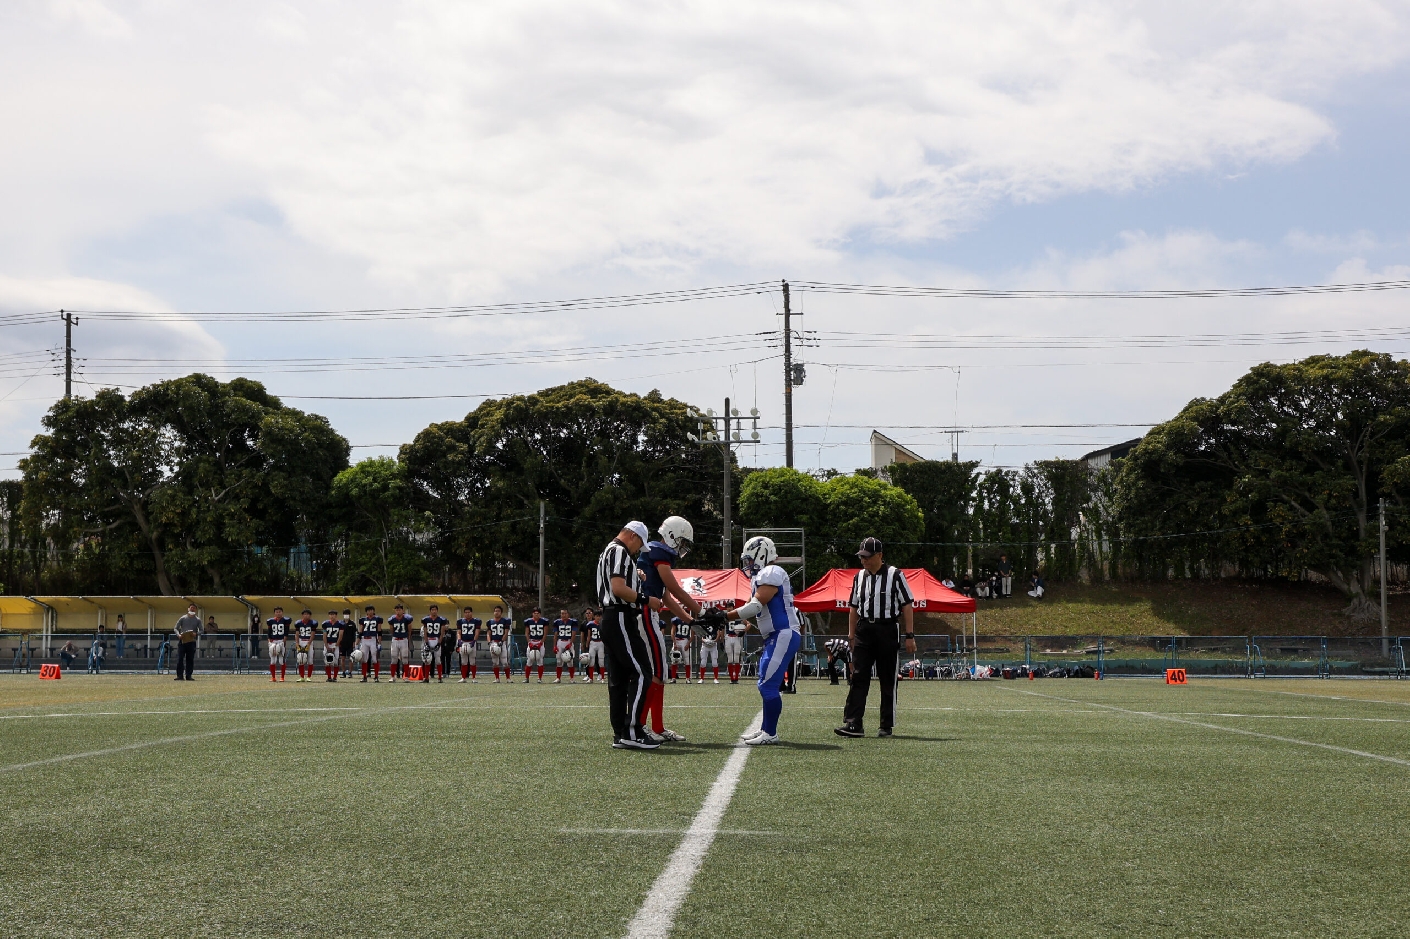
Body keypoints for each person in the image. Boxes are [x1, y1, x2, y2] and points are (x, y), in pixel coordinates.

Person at [835, 537, 915, 739]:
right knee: (858, 676)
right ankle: (853, 724)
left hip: (888, 628)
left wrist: (909, 635)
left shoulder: (895, 575)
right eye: (861, 557)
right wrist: (851, 636)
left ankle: (886, 725)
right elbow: (853, 607)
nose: (863, 561)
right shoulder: (859, 577)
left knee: (888, 678)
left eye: (867, 557)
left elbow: (907, 605)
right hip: (864, 629)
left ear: (880, 555)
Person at [726, 536, 802, 746]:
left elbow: (755, 606)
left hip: (783, 633)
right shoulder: (763, 576)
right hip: (776, 636)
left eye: (750, 559)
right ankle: (766, 729)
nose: (748, 565)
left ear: (762, 554)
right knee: (766, 682)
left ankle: (770, 733)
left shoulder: (772, 572)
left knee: (768, 685)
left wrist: (725, 616)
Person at [637, 516, 703, 742]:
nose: (683, 547)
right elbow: (674, 588)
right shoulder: (657, 550)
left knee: (660, 672)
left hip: (649, 612)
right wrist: (699, 611)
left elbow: (666, 594)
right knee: (656, 672)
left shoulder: (658, 555)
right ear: (673, 535)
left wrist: (689, 620)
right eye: (682, 541)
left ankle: (657, 727)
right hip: (643, 612)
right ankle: (641, 727)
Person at [596, 520, 658, 749]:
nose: (637, 550)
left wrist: (635, 574)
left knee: (619, 679)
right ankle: (633, 731)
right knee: (642, 671)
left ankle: (621, 732)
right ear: (632, 536)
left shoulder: (609, 552)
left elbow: (617, 581)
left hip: (611, 617)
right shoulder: (620, 551)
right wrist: (646, 600)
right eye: (639, 544)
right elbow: (618, 588)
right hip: (621, 616)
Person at [421, 604, 448, 683]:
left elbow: (442, 632)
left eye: (435, 610)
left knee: (438, 660)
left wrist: (439, 643)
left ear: (437, 610)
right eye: (432, 610)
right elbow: (425, 632)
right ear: (430, 611)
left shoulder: (441, 620)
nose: (434, 611)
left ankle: (440, 677)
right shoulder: (426, 620)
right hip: (429, 639)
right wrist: (426, 642)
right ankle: (426, 678)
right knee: (427, 659)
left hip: (436, 639)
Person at [387, 604, 414, 682]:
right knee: (394, 658)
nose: (398, 611)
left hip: (404, 639)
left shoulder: (407, 619)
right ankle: (392, 676)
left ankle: (406, 677)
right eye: (397, 610)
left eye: (399, 610)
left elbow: (409, 630)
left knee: (405, 658)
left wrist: (407, 638)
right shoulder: (392, 619)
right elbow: (391, 630)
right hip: (395, 639)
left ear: (403, 611)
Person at [485, 606, 513, 682]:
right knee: (495, 662)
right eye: (495, 611)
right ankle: (497, 678)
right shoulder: (490, 622)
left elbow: (506, 633)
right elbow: (488, 634)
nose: (497, 612)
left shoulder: (505, 621)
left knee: (505, 661)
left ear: (501, 612)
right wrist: (489, 642)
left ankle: (508, 678)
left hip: (501, 643)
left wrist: (502, 641)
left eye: (498, 611)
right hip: (493, 642)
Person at [175, 603, 202, 681]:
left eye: (194, 608)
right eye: (191, 608)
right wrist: (178, 634)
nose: (192, 609)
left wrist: (196, 633)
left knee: (190, 659)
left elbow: (202, 630)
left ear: (196, 610)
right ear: (188, 609)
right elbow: (175, 628)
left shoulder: (197, 620)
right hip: (182, 641)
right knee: (180, 659)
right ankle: (180, 675)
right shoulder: (183, 618)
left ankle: (188, 675)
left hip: (191, 641)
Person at [522, 608, 549, 683]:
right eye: (535, 613)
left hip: (540, 641)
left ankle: (539, 678)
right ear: (532, 614)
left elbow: (545, 634)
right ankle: (526, 678)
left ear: (540, 614)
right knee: (529, 660)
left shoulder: (544, 621)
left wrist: (541, 643)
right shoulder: (528, 621)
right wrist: (529, 642)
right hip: (532, 641)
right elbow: (527, 633)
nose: (536, 614)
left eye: (538, 613)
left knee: (540, 660)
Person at [455, 606, 481, 682]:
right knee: (463, 661)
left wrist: (474, 641)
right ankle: (463, 677)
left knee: (472, 661)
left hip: (471, 642)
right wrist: (459, 640)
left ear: (471, 613)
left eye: (469, 612)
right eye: (466, 612)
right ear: (464, 613)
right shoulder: (460, 621)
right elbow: (459, 632)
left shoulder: (476, 621)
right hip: (463, 642)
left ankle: (473, 678)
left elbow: (477, 632)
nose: (467, 614)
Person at [358, 605, 383, 682]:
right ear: (366, 612)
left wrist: (379, 642)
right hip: (364, 640)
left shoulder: (377, 619)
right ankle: (364, 676)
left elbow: (379, 631)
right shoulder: (363, 619)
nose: (370, 612)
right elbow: (360, 631)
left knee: (375, 658)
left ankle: (376, 676)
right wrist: (356, 643)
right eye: (368, 610)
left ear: (373, 611)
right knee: (364, 659)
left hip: (373, 639)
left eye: (371, 610)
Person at [265, 606, 291, 682]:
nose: (278, 613)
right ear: (274, 613)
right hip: (273, 641)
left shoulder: (285, 620)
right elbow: (269, 632)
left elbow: (286, 632)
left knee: (281, 660)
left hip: (280, 640)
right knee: (272, 660)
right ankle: (273, 677)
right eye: (277, 612)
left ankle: (282, 677)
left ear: (282, 612)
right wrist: (269, 641)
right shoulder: (271, 621)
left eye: (279, 612)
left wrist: (284, 641)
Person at [552, 608, 577, 683]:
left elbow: (574, 633)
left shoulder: (573, 622)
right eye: (562, 613)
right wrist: (555, 645)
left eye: (565, 613)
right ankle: (558, 678)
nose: (564, 615)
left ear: (568, 614)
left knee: (570, 661)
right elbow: (555, 635)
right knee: (559, 661)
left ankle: (572, 678)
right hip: (560, 642)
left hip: (568, 641)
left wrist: (570, 643)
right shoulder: (557, 622)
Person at [698, 610, 722, 683]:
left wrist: (715, 640)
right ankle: (702, 678)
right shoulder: (703, 623)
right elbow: (701, 633)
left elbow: (718, 633)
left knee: (714, 662)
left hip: (713, 645)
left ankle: (715, 678)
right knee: (703, 662)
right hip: (705, 645)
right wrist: (703, 640)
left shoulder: (716, 623)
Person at [582, 609, 606, 682]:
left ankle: (602, 678)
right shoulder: (590, 624)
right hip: (593, 643)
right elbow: (589, 635)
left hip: (601, 642)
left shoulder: (603, 623)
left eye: (599, 616)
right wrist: (587, 644)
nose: (598, 618)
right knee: (591, 661)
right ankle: (591, 678)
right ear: (594, 616)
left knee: (601, 661)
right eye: (597, 616)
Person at [668, 616, 694, 683]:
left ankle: (687, 678)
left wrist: (688, 643)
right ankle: (673, 678)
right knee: (674, 659)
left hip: (685, 640)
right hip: (677, 639)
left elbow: (692, 634)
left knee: (687, 660)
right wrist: (675, 643)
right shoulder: (676, 620)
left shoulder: (689, 621)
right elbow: (672, 633)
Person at [293, 610, 317, 682]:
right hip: (301, 641)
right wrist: (297, 643)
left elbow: (312, 634)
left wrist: (309, 643)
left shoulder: (313, 623)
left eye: (308, 614)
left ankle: (309, 676)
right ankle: (302, 677)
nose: (306, 615)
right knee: (300, 659)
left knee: (310, 660)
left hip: (308, 641)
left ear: (310, 615)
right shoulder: (298, 623)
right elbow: (297, 634)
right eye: (305, 614)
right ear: (302, 615)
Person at [724, 614, 747, 684]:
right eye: (728, 607)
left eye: (730, 607)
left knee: (736, 658)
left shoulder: (738, 617)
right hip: (728, 637)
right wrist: (722, 640)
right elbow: (721, 628)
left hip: (736, 637)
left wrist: (744, 631)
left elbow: (748, 624)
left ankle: (736, 678)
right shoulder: (725, 616)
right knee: (730, 659)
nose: (729, 608)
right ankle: (731, 678)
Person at [321, 610, 342, 682]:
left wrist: (335, 646)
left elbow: (340, 636)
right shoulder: (325, 624)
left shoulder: (340, 624)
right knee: (327, 662)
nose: (332, 616)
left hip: (335, 644)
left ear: (336, 615)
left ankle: (335, 677)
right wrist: (326, 646)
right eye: (330, 614)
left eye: (333, 614)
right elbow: (324, 636)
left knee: (336, 661)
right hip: (327, 644)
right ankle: (329, 677)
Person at [337, 609, 356, 678]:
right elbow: (338, 634)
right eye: (345, 613)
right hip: (342, 643)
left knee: (351, 658)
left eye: (347, 613)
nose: (346, 615)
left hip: (350, 643)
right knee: (342, 658)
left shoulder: (352, 623)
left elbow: (354, 634)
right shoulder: (340, 623)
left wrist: (354, 643)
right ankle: (343, 672)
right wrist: (338, 642)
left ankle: (350, 672)